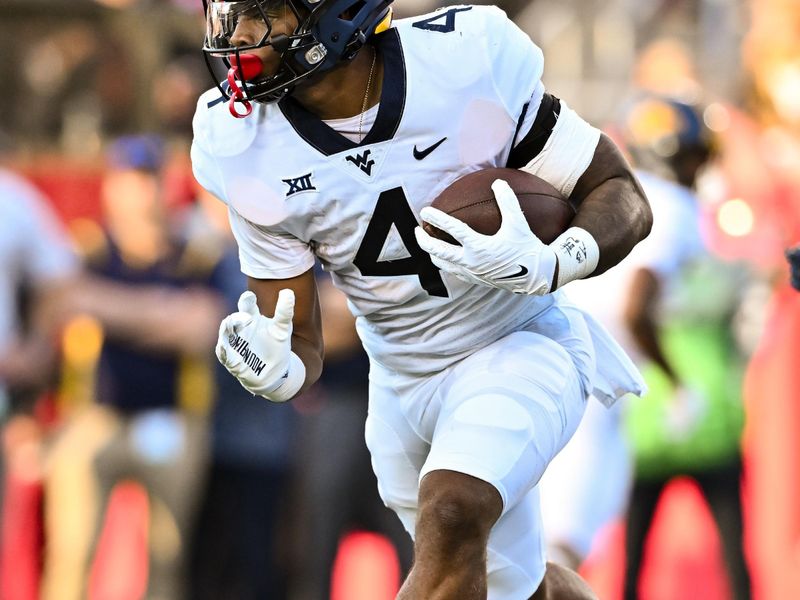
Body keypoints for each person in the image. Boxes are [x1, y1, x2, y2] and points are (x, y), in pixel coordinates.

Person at [191, 2, 652, 598]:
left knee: (453, 511)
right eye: (227, 15)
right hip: (401, 382)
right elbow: (298, 343)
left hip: (517, 338)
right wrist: (272, 368)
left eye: (262, 13)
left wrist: (554, 262)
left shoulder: (462, 62)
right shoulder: (242, 141)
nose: (239, 38)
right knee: (512, 588)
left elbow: (619, 192)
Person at [42, 135, 223, 600]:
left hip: (175, 419)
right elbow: (67, 303)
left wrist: (111, 312)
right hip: (92, 417)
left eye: (148, 181)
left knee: (167, 561)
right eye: (128, 181)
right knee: (71, 557)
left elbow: (201, 328)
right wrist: (161, 312)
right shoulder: (87, 247)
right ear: (110, 187)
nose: (139, 194)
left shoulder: (194, 254)